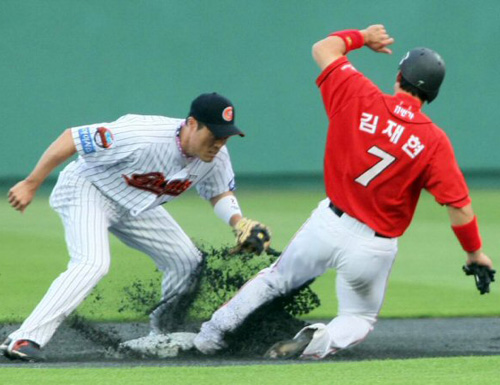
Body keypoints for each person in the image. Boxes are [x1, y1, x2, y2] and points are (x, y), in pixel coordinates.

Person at [193, 25, 495, 359]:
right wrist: (474, 253)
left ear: (399, 77)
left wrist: (363, 37)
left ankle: (210, 336)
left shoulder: (358, 93)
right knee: (358, 316)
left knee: (273, 281)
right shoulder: (434, 142)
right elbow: (460, 208)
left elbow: (324, 48)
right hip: (374, 247)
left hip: (328, 224)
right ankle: (318, 339)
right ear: (432, 94)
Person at [1, 92, 271, 362]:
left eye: (225, 136)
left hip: (134, 205)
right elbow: (72, 137)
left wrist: (238, 222)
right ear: (191, 124)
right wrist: (31, 182)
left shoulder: (217, 157)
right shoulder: (143, 135)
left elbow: (219, 192)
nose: (219, 142)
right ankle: (25, 337)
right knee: (92, 263)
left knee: (187, 260)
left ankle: (163, 336)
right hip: (88, 189)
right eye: (214, 134)